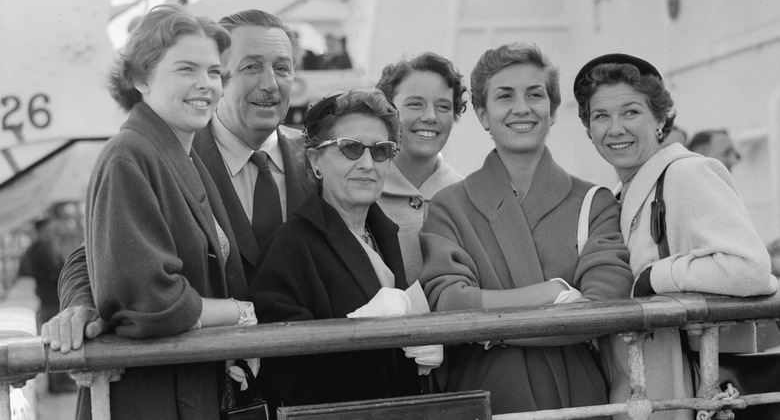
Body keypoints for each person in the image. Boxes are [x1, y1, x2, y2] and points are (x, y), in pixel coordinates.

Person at [43, 8, 313, 353]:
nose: (270, 84)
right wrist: (83, 307)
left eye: (282, 68)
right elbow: (99, 253)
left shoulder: (321, 158)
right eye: (251, 66)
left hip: (304, 374)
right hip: (218, 376)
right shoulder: (167, 152)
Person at [419, 42, 634, 416]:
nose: (522, 107)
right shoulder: (449, 205)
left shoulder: (593, 202)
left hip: (577, 399)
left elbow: (604, 306)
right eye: (505, 96)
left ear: (551, 112)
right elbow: (449, 304)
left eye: (534, 95)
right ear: (484, 115)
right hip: (485, 397)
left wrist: (487, 327)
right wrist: (554, 293)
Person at [75, 4, 258, 419]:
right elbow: (153, 302)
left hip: (182, 387)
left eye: (214, 72)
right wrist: (241, 313)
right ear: (140, 78)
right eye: (186, 69)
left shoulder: (180, 155)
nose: (205, 84)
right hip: (151, 398)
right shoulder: (129, 155)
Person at [573, 53, 777, 419]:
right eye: (601, 116)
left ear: (660, 119)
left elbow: (752, 269)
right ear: (589, 129)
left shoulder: (688, 175)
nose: (615, 128)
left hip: (687, 398)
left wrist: (656, 276)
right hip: (641, 396)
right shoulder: (621, 194)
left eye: (631, 112)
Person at [250, 89, 442, 412]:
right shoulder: (289, 247)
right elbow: (282, 373)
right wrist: (354, 331)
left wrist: (419, 351)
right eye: (350, 148)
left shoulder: (384, 234)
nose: (368, 163)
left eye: (381, 151)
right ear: (315, 160)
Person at [375, 52, 466, 282]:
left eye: (443, 107)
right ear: (387, 111)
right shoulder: (362, 191)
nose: (430, 116)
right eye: (415, 104)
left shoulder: (467, 197)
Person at [18, 217, 75, 393]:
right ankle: (57, 383)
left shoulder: (45, 249)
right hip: (48, 300)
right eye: (49, 229)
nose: (53, 232)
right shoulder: (38, 251)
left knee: (57, 339)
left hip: (53, 299)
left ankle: (60, 381)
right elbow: (56, 272)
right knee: (55, 340)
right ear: (41, 231)